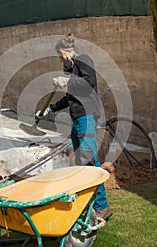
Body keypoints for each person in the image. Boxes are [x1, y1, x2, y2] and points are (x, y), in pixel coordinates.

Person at [36, 33, 112, 222]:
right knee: (80, 161)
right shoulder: (72, 68)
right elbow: (71, 97)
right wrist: (50, 109)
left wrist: (67, 81)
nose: (59, 60)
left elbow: (89, 83)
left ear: (63, 52)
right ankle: (88, 200)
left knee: (90, 160)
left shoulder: (84, 60)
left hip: (86, 117)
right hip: (77, 117)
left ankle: (102, 207)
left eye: (59, 56)